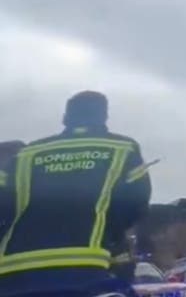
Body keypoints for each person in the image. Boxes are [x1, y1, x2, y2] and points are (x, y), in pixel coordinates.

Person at [0, 91, 152, 297]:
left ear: (65, 118)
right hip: (85, 267)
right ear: (104, 116)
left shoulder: (27, 153)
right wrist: (110, 235)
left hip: (15, 270)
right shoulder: (122, 147)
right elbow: (137, 202)